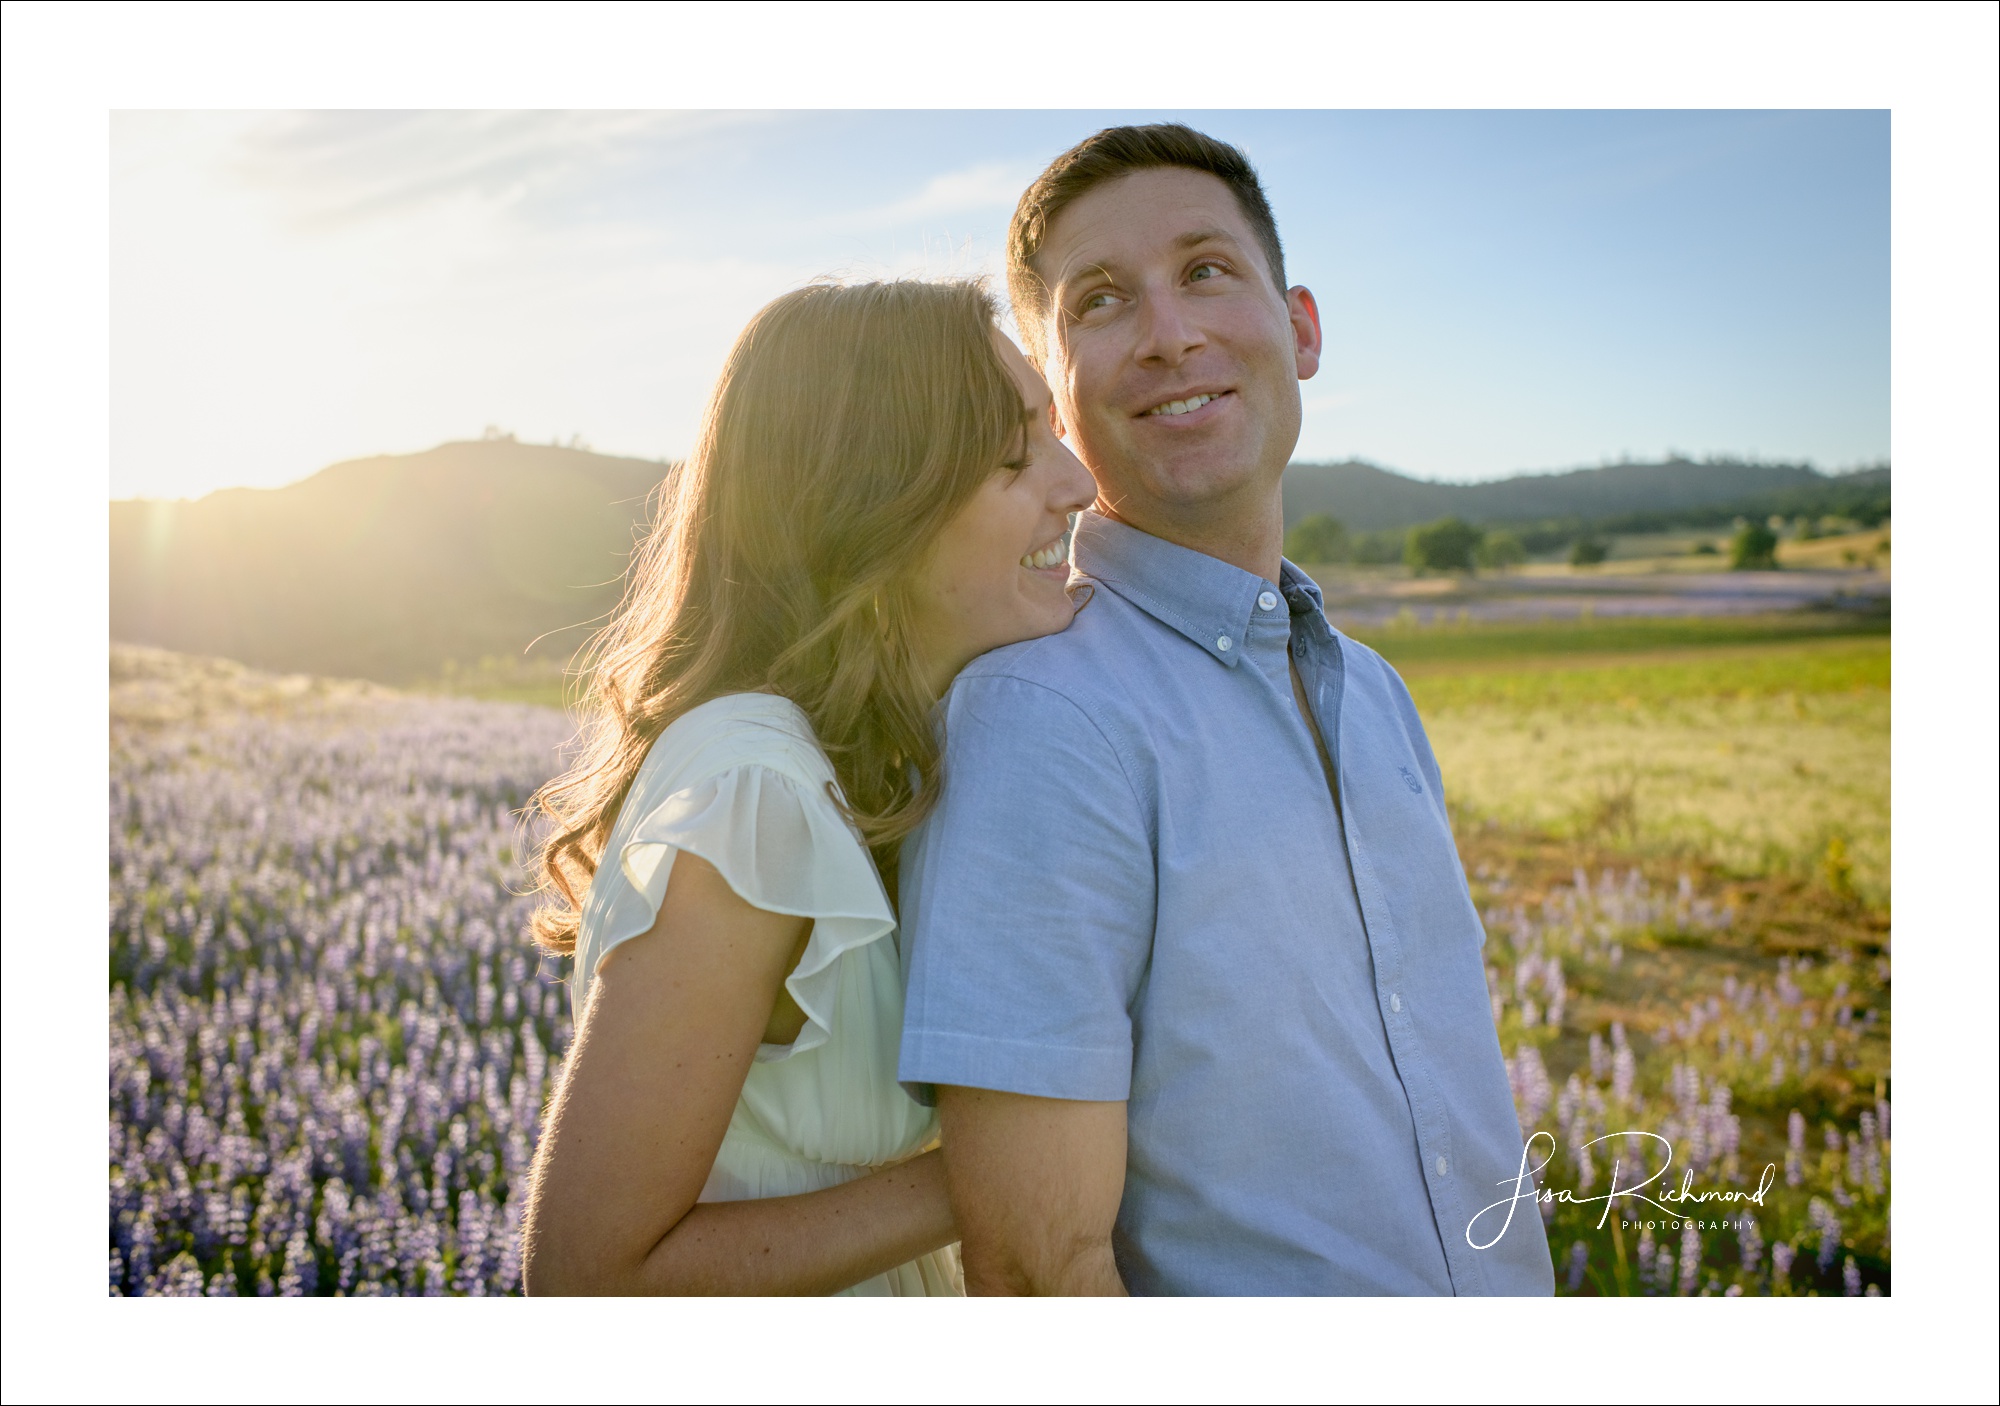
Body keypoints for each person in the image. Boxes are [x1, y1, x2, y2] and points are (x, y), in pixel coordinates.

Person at [897, 124, 1557, 1295]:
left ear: (1299, 328)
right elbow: (1039, 1265)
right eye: (1100, 300)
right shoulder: (1040, 715)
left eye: (1206, 270)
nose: (1169, 332)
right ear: (1052, 392)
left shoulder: (1373, 692)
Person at [520, 279, 1094, 1295]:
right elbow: (588, 1273)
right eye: (1012, 456)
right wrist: (1010, 1158)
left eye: (1050, 432)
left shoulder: (877, 759)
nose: (1075, 481)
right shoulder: (755, 789)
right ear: (874, 507)